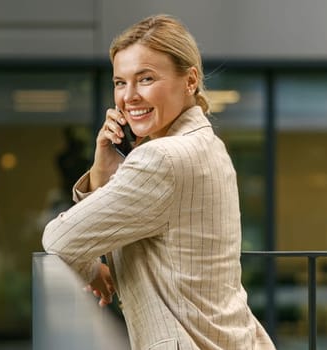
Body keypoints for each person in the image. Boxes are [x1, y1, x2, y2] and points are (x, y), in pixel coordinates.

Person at [42, 14, 275, 350]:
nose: (129, 96)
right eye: (120, 82)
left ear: (190, 80)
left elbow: (60, 238)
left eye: (146, 78)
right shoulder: (206, 143)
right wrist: (102, 170)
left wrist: (92, 269)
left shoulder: (161, 159)